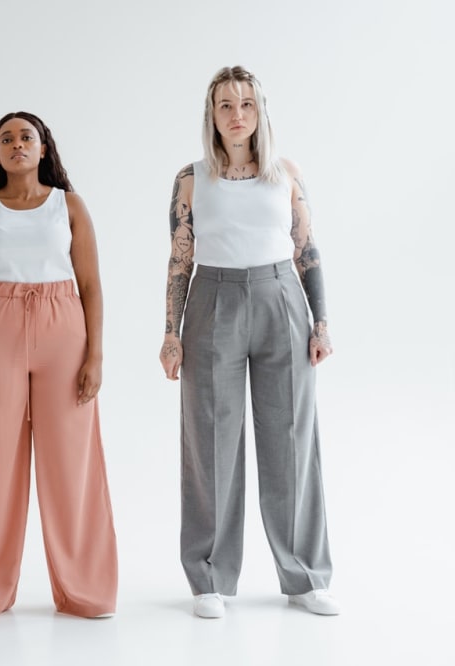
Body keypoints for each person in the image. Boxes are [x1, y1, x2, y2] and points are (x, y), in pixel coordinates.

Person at [159, 65, 339, 619]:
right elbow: (180, 260)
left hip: (281, 298)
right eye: (224, 106)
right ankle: (210, 577)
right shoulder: (191, 179)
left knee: (291, 438)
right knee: (210, 441)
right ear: (211, 117)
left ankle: (305, 576)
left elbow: (306, 248)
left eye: (246, 104)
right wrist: (170, 332)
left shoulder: (286, 173)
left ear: (260, 112)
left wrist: (322, 321)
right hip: (213, 302)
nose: (236, 115)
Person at [0, 111, 117, 621]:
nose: (18, 143)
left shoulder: (70, 206)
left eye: (27, 136)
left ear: (44, 149)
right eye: (7, 138)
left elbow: (90, 286)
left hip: (63, 329)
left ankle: (86, 589)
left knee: (72, 463)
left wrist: (96, 354)